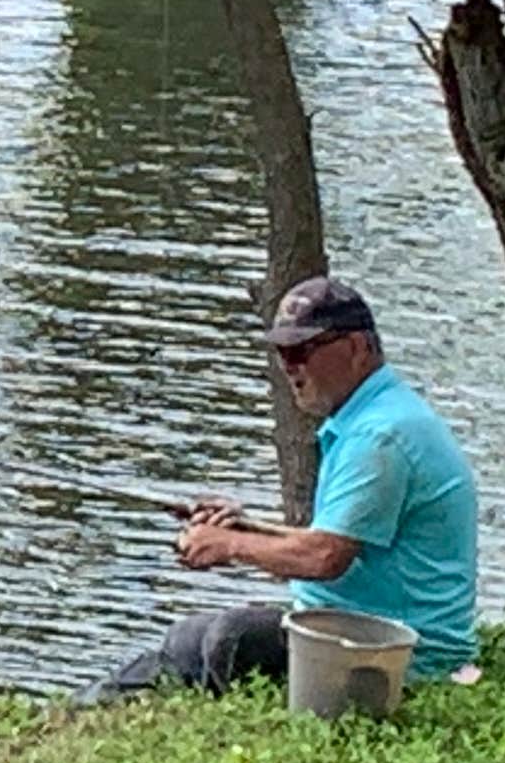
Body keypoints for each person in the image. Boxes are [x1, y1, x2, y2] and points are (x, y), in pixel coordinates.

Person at [95, 274, 479, 698]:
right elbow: (340, 541)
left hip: (397, 653)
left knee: (231, 637)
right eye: (281, 352)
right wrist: (247, 527)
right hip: (352, 628)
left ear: (355, 348)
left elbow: (325, 557)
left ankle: (122, 704)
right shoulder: (375, 417)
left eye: (300, 351)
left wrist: (228, 546)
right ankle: (105, 703)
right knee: (187, 637)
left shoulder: (379, 437)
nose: (289, 367)